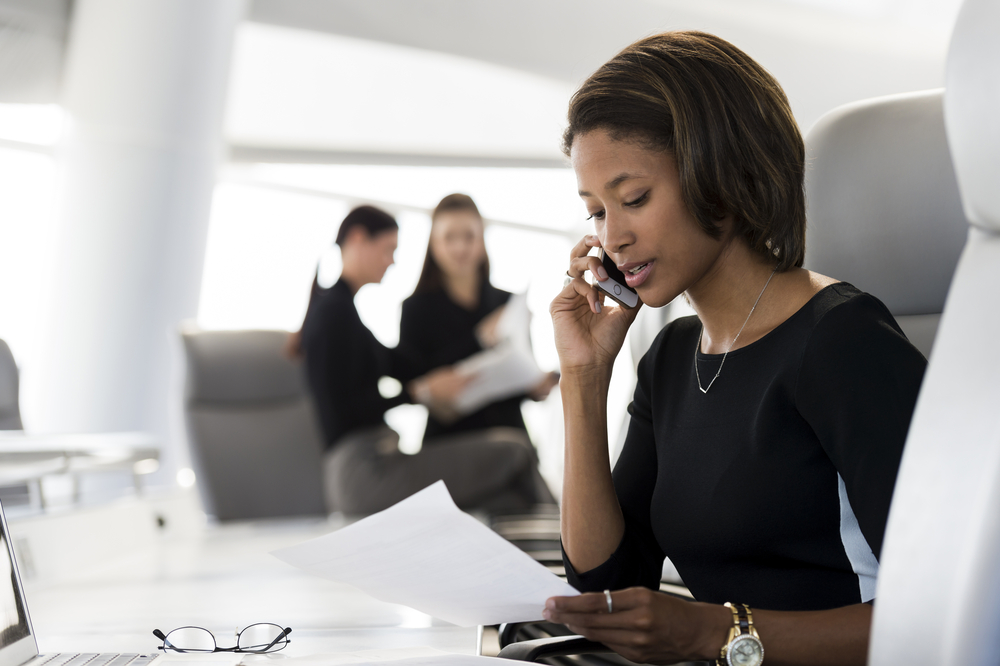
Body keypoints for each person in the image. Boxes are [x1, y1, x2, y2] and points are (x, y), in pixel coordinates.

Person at [542, 32, 927, 665]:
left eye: (634, 198)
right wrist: (584, 377)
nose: (614, 237)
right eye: (596, 213)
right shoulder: (671, 358)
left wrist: (715, 631)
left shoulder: (844, 342)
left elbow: (951, 611)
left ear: (718, 175)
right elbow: (607, 592)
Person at [297, 205, 552, 515]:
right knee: (516, 451)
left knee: (509, 500)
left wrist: (481, 340)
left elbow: (412, 367)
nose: (392, 261)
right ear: (358, 238)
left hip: (377, 459)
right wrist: (418, 393)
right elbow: (344, 411)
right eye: (388, 249)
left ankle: (556, 547)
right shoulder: (333, 314)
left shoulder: (346, 312)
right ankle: (573, 548)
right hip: (364, 471)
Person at [400, 193, 559, 441]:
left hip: (509, 437)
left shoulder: (507, 303)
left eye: (469, 236)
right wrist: (479, 339)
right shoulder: (415, 308)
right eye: (449, 237)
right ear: (433, 243)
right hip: (451, 443)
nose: (460, 247)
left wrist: (536, 386)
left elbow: (521, 370)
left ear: (482, 239)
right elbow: (414, 382)